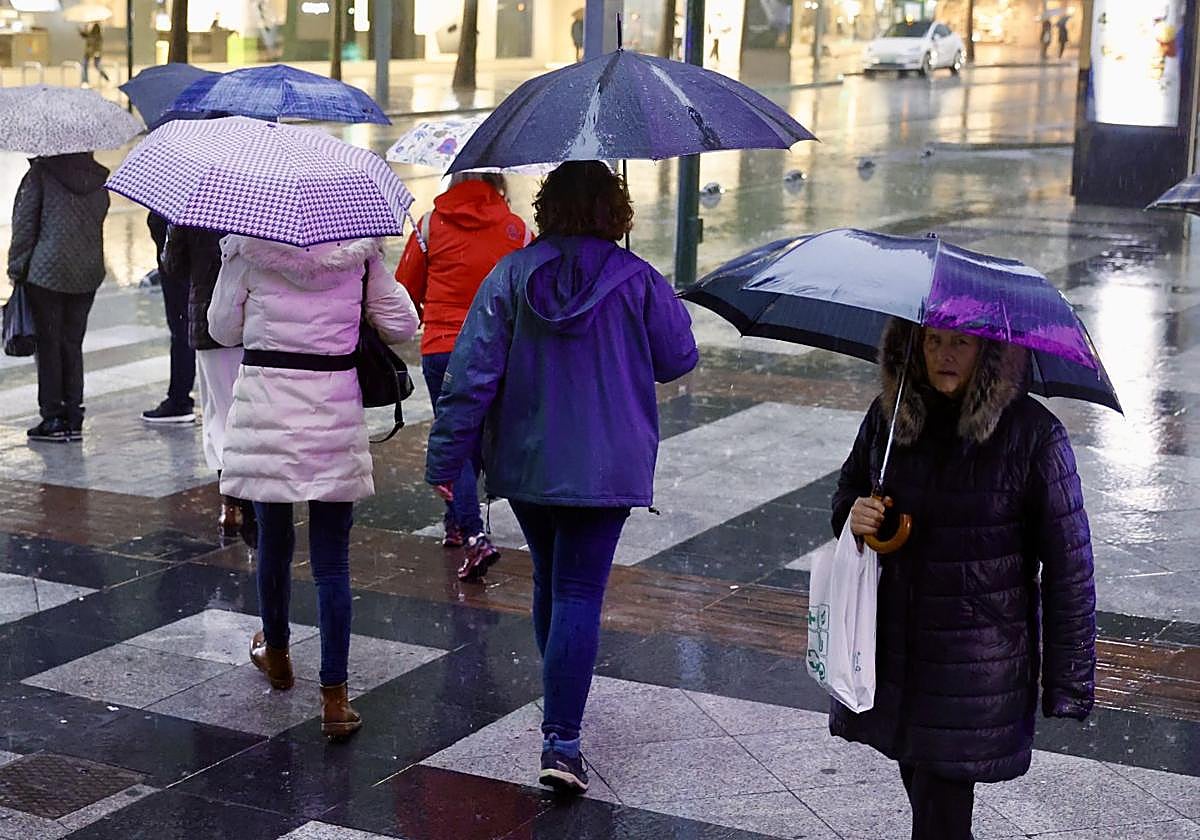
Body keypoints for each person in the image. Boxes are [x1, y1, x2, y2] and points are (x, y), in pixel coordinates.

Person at [425, 161, 698, 794]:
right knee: (578, 591)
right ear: (616, 212)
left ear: (546, 209)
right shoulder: (638, 279)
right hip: (606, 464)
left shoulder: (510, 275)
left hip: (527, 462)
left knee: (551, 581)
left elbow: (470, 377)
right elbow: (678, 358)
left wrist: (445, 461)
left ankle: (559, 711)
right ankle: (563, 741)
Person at [832, 320, 1097, 840]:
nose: (944, 354)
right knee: (928, 798)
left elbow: (1070, 565)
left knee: (940, 809)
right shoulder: (891, 420)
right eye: (932, 341)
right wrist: (856, 517)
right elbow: (848, 495)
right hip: (896, 648)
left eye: (960, 342)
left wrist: (1068, 680)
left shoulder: (1033, 434)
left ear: (989, 352)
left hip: (972, 664)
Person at [208, 234, 419, 738]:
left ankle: (277, 656)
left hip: (268, 411)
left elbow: (220, 329)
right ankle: (335, 699)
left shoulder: (246, 249)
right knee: (331, 561)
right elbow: (403, 325)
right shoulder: (360, 254)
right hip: (332, 412)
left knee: (275, 541)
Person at [394, 172, 531, 580]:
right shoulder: (517, 230)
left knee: (456, 435)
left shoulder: (429, 225)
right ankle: (459, 523)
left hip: (441, 348)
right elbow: (528, 292)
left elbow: (404, 290)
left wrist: (431, 309)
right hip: (493, 349)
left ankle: (471, 532)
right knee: (474, 437)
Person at [7, 153, 110, 443]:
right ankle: (73, 415)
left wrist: (16, 268)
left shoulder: (41, 173)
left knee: (49, 346)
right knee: (71, 343)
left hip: (46, 273)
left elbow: (25, 226)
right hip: (87, 273)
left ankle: (53, 417)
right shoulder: (99, 177)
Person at [163, 224, 251, 541]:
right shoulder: (262, 199)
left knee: (221, 411)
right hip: (254, 320)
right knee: (253, 409)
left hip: (210, 322)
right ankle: (258, 489)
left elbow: (173, 266)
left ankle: (231, 501)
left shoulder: (196, 207)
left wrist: (175, 231)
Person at [142, 213, 197, 425]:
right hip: (205, 272)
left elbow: (159, 228)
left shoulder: (175, 205)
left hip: (182, 273)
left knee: (183, 333)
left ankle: (179, 399)